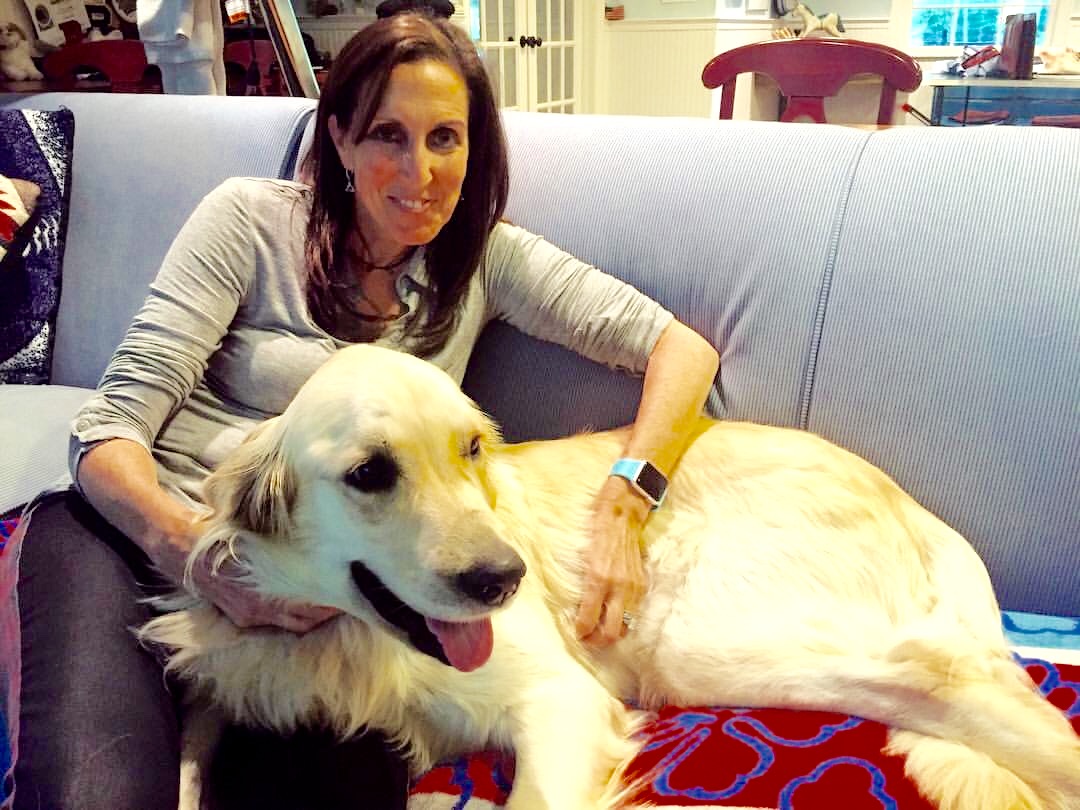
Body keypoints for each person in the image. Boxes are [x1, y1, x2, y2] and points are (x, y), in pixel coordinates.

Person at [14, 9, 719, 810]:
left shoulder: (484, 259)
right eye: (389, 134)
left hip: (313, 596)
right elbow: (109, 427)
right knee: (98, 789)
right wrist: (194, 555)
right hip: (130, 536)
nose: (421, 171)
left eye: (445, 138)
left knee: (337, 788)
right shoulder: (249, 220)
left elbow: (681, 350)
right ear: (341, 140)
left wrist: (628, 497)